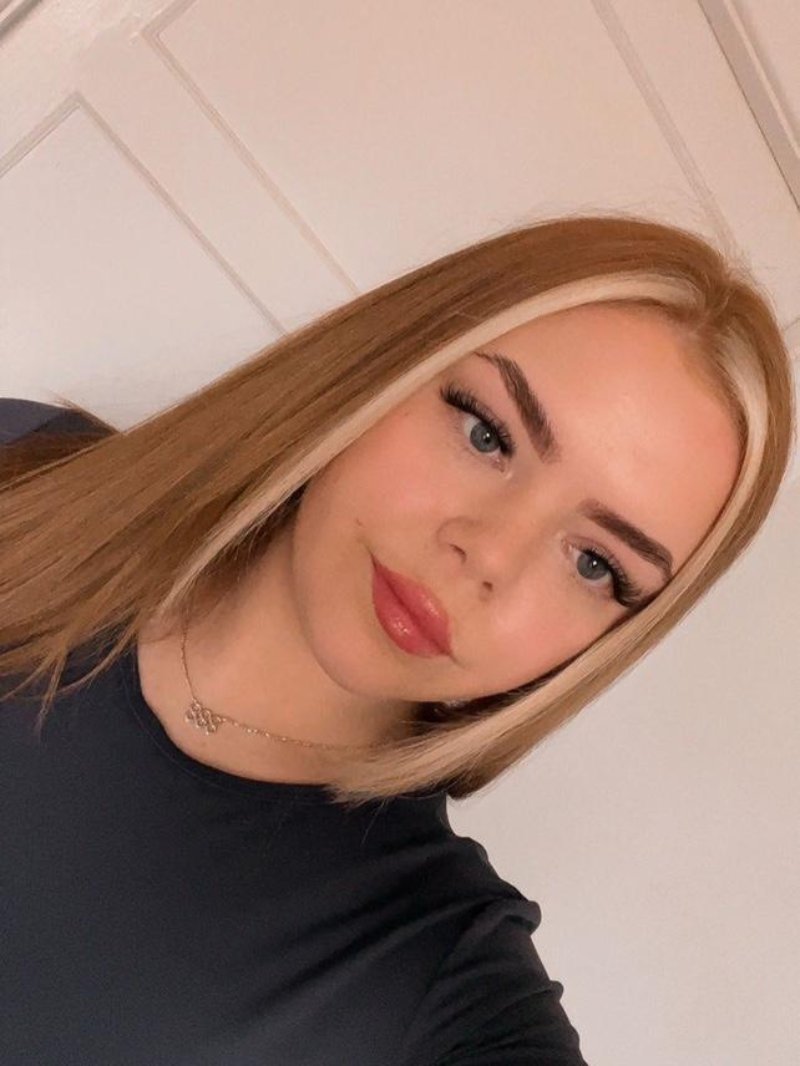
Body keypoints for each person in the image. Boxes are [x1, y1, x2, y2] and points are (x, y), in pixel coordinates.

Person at [0, 214, 794, 1064]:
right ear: (383, 367)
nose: (488, 554)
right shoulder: (28, 471)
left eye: (595, 564)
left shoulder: (435, 976)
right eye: (487, 433)